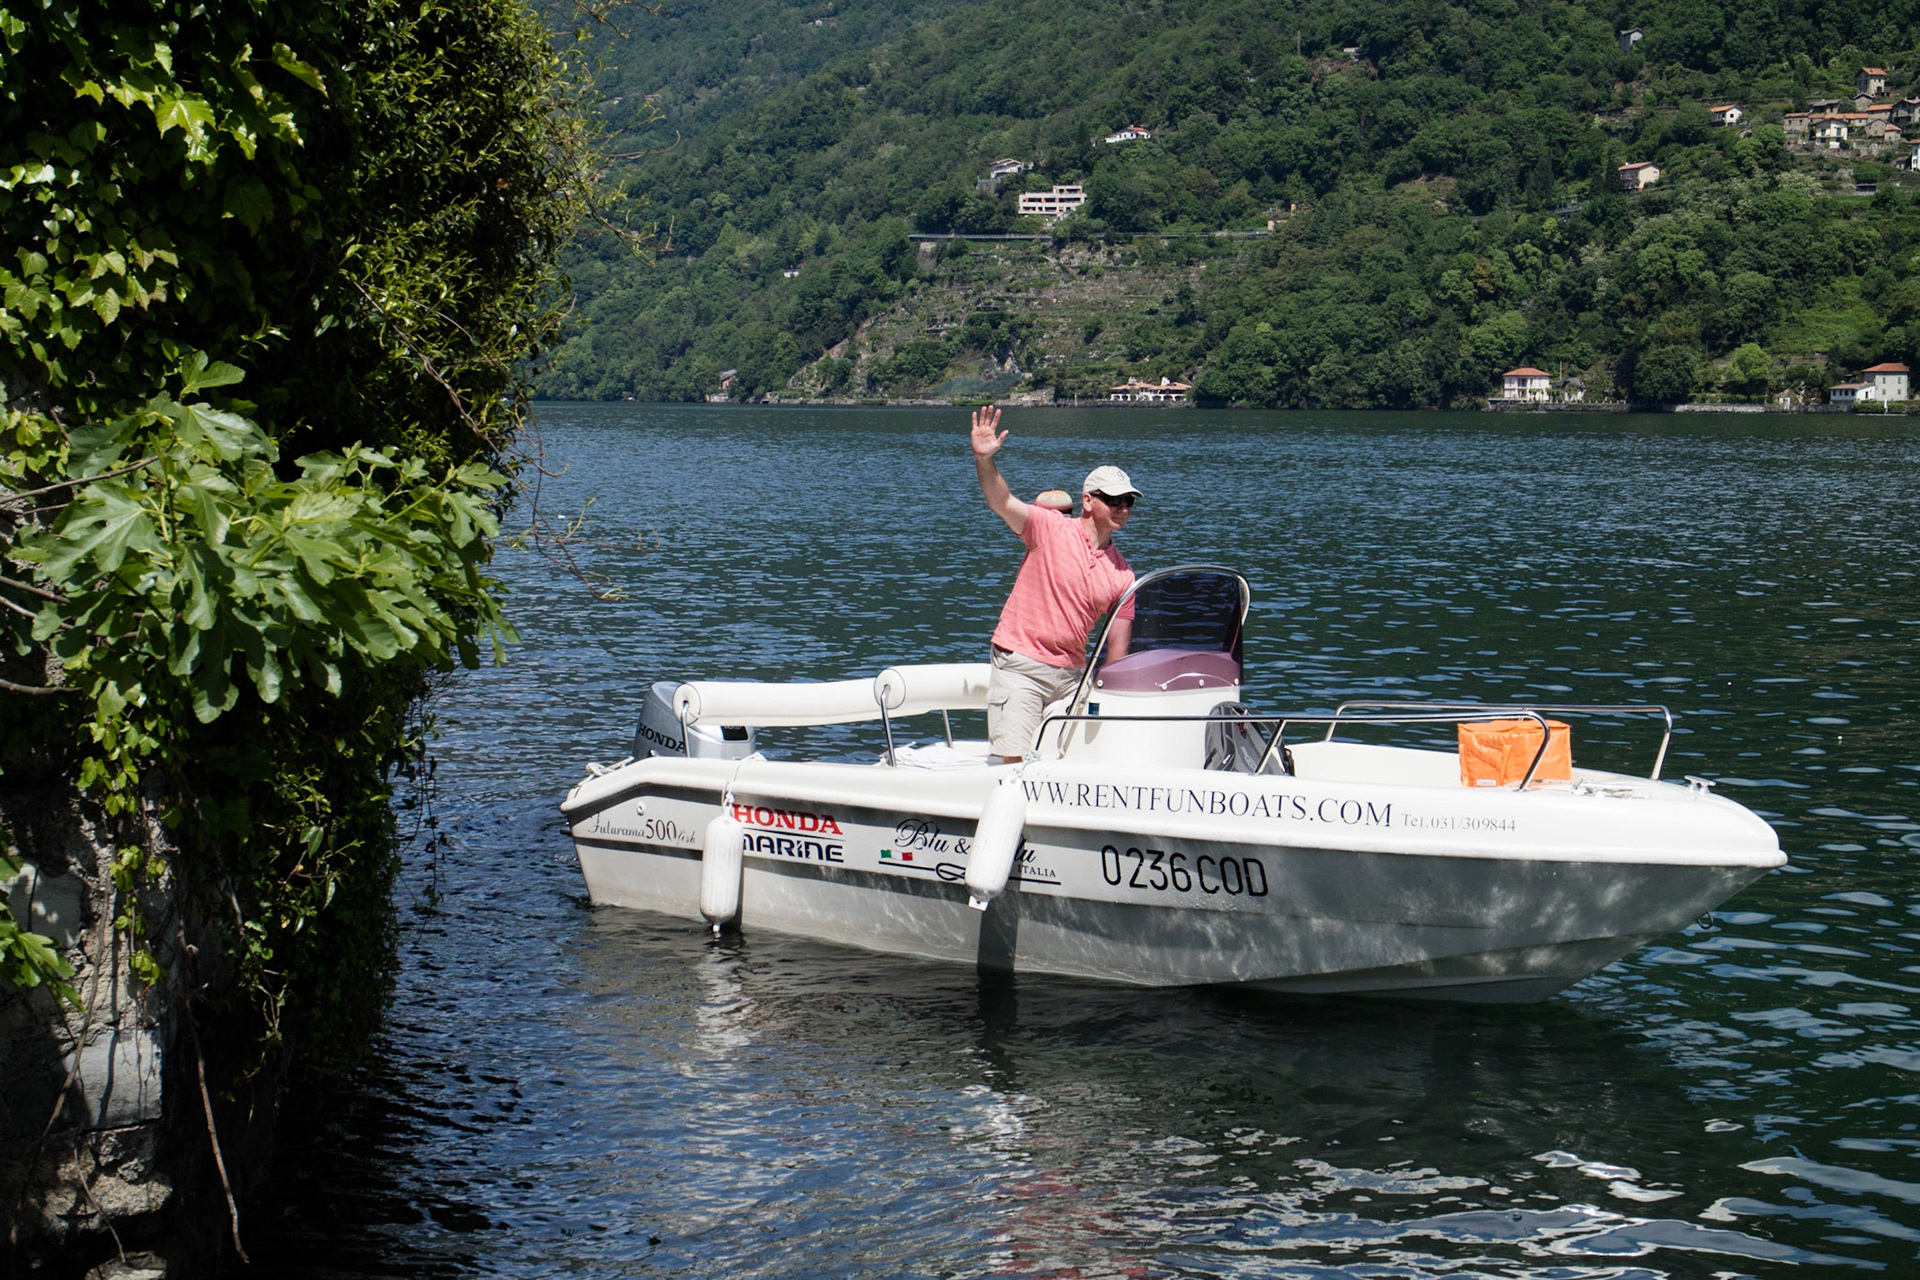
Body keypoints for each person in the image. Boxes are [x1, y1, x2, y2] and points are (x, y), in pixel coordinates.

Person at [970, 404, 1140, 763]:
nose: (1122, 507)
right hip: (1022, 667)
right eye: (1113, 500)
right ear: (1088, 501)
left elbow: (1117, 654)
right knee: (1012, 766)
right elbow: (1001, 501)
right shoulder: (1049, 528)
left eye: (1128, 501)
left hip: (1071, 678)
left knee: (1075, 765)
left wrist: (1110, 697)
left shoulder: (1123, 575)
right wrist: (984, 459)